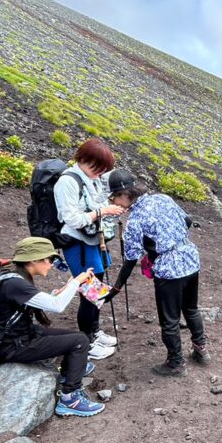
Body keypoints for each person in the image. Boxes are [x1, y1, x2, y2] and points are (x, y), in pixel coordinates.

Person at [0, 237, 105, 418]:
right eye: (49, 260)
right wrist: (75, 282)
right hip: (11, 346)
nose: (51, 265)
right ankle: (69, 398)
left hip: (19, 335)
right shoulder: (16, 283)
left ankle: (71, 370)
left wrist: (59, 291)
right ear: (34, 260)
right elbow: (57, 306)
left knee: (74, 336)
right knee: (80, 341)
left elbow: (35, 302)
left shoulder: (14, 277)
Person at [106, 180, 207, 376]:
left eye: (114, 197)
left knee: (169, 320)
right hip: (190, 258)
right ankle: (201, 349)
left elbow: (130, 258)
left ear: (125, 194)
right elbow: (187, 221)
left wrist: (116, 287)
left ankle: (176, 363)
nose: (114, 202)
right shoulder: (163, 198)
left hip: (169, 269)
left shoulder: (135, 220)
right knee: (191, 308)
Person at [54, 139, 126, 360]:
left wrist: (106, 210)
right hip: (77, 243)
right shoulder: (67, 182)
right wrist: (103, 211)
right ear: (83, 159)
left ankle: (94, 330)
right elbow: (72, 219)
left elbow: (93, 203)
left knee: (98, 284)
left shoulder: (88, 179)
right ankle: (87, 340)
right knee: (88, 289)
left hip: (91, 240)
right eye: (97, 168)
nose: (99, 174)